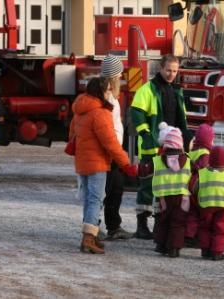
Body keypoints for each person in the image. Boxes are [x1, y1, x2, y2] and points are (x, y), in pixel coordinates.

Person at [69, 77, 136, 254]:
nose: (109, 94)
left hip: (82, 161)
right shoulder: (100, 112)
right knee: (95, 200)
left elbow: (72, 135)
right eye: (107, 91)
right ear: (99, 92)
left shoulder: (80, 109)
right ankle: (89, 238)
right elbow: (111, 143)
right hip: (97, 163)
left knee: (89, 199)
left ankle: (92, 234)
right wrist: (126, 163)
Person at [130, 54, 190, 239]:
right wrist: (147, 136)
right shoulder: (147, 90)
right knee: (147, 186)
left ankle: (158, 225)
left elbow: (182, 119)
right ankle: (142, 226)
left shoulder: (177, 91)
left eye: (174, 70)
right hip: (152, 148)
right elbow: (136, 114)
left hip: (172, 148)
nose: (172, 74)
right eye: (168, 70)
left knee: (165, 189)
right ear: (160, 69)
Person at [99, 54, 134, 240]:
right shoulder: (107, 99)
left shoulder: (109, 97)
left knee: (115, 188)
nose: (121, 78)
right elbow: (107, 129)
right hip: (109, 152)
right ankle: (97, 227)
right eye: (119, 74)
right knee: (104, 190)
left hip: (112, 151)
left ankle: (113, 225)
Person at [189, 146, 224, 261]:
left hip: (205, 206)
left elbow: (193, 189)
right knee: (220, 229)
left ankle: (205, 250)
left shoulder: (201, 174)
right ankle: (217, 252)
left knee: (204, 227)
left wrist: (196, 204)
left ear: (210, 159)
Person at [152, 128, 191, 258]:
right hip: (182, 198)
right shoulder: (188, 160)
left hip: (164, 198)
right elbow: (196, 174)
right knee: (178, 223)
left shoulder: (158, 161)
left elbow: (144, 171)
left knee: (164, 221)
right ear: (180, 145)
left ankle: (161, 245)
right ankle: (174, 248)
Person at [185, 124, 214, 247]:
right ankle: (193, 237)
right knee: (198, 214)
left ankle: (187, 235)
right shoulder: (205, 153)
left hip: (187, 186)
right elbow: (204, 170)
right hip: (199, 188)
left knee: (191, 213)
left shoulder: (191, 152)